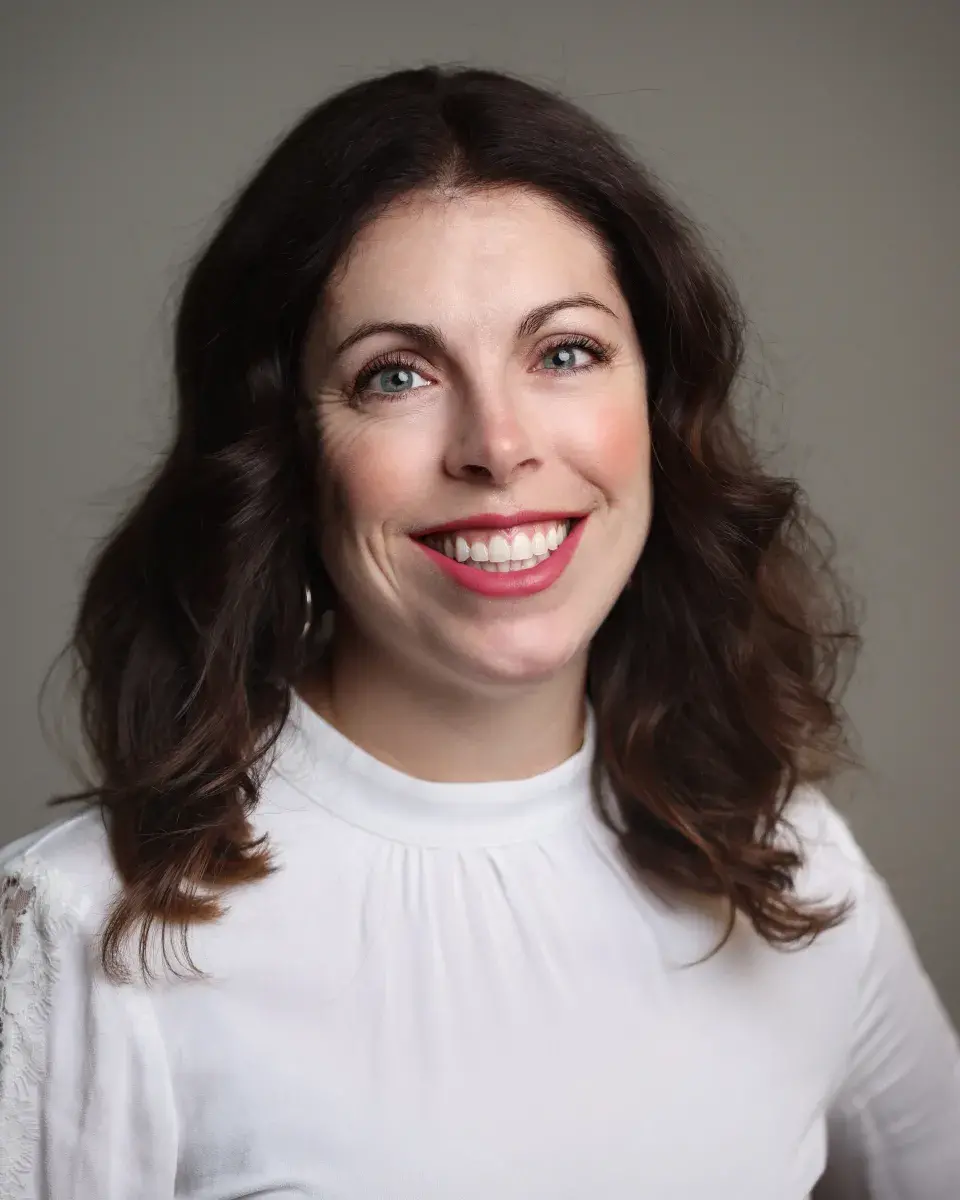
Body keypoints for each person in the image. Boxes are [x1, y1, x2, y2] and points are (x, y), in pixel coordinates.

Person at [0, 64, 957, 1200]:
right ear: (286, 457)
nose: (498, 447)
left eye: (565, 353)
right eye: (395, 375)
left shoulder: (787, 861)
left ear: (658, 408)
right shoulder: (90, 937)